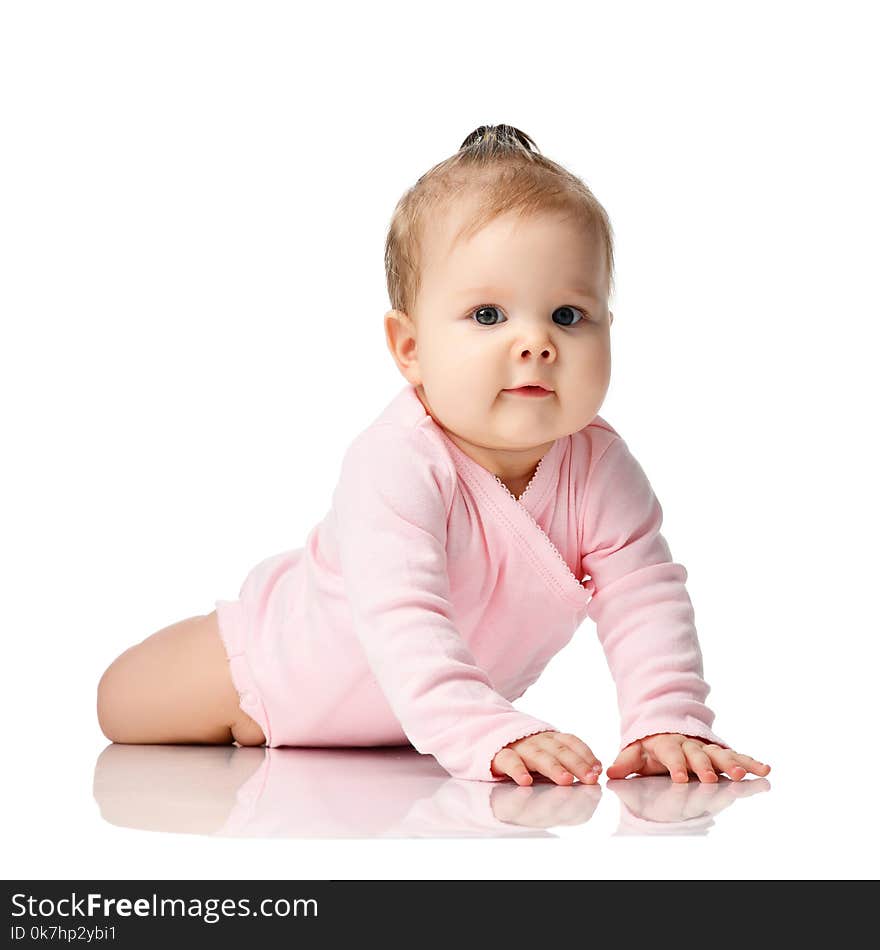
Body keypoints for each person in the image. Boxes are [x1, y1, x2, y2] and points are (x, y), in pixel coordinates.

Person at [97, 124, 771, 787]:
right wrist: (488, 729)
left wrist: (666, 719)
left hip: (416, 730)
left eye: (568, 315)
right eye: (488, 315)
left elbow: (644, 597)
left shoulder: (601, 470)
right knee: (119, 702)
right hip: (269, 672)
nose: (536, 341)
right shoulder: (396, 461)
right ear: (410, 349)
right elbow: (404, 617)